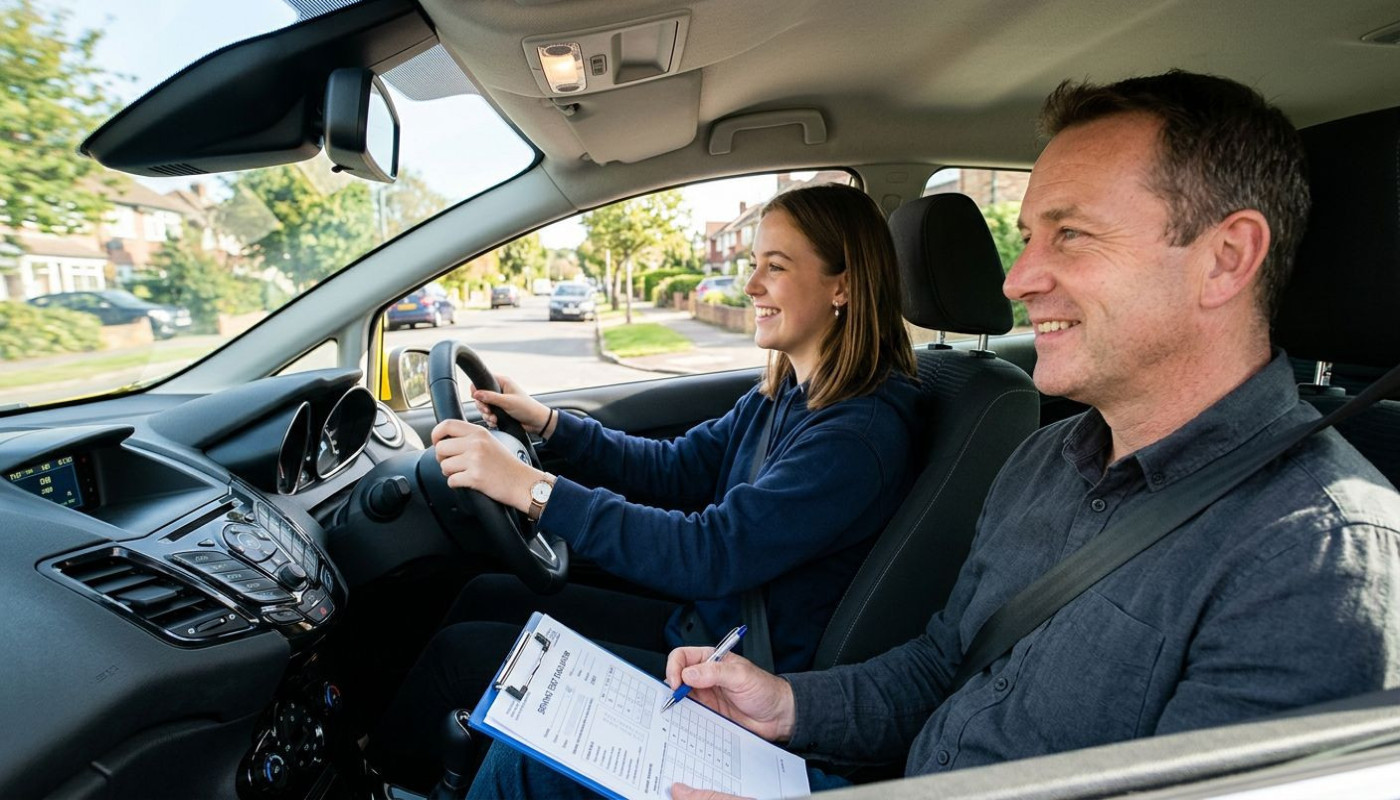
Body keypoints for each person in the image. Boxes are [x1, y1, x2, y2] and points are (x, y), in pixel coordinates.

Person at [468, 70, 1400, 799]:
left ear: (1226, 259)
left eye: (1070, 235)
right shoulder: (1047, 460)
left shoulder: (1318, 558)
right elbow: (942, 664)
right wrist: (787, 706)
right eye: (1028, 236)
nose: (1018, 279)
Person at [370, 183, 921, 789]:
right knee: (484, 596)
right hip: (702, 634)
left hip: (739, 680)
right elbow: (674, 467)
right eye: (752, 264)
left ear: (842, 286)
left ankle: (378, 783)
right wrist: (549, 424)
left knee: (463, 659)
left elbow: (710, 552)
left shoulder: (856, 436)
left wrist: (533, 489)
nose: (750, 285)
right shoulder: (783, 395)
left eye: (776, 267)